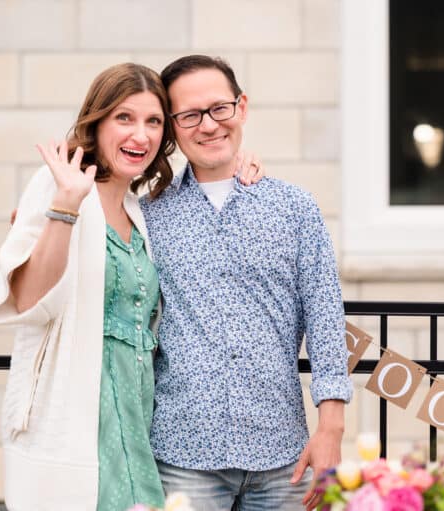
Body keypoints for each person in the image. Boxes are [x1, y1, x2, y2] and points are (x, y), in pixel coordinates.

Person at [0, 63, 263, 511]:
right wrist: (65, 206)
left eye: (153, 121)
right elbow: (30, 300)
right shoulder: (61, 183)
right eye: (125, 118)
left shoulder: (141, 210)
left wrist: (238, 165)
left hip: (136, 415)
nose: (141, 135)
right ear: (98, 122)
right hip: (77, 410)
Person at [141, 55, 353, 511]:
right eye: (190, 115)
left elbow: (324, 316)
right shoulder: (148, 215)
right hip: (183, 454)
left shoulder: (294, 208)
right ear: (173, 129)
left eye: (219, 108)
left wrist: (330, 429)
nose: (209, 125)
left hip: (284, 454)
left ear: (242, 107)